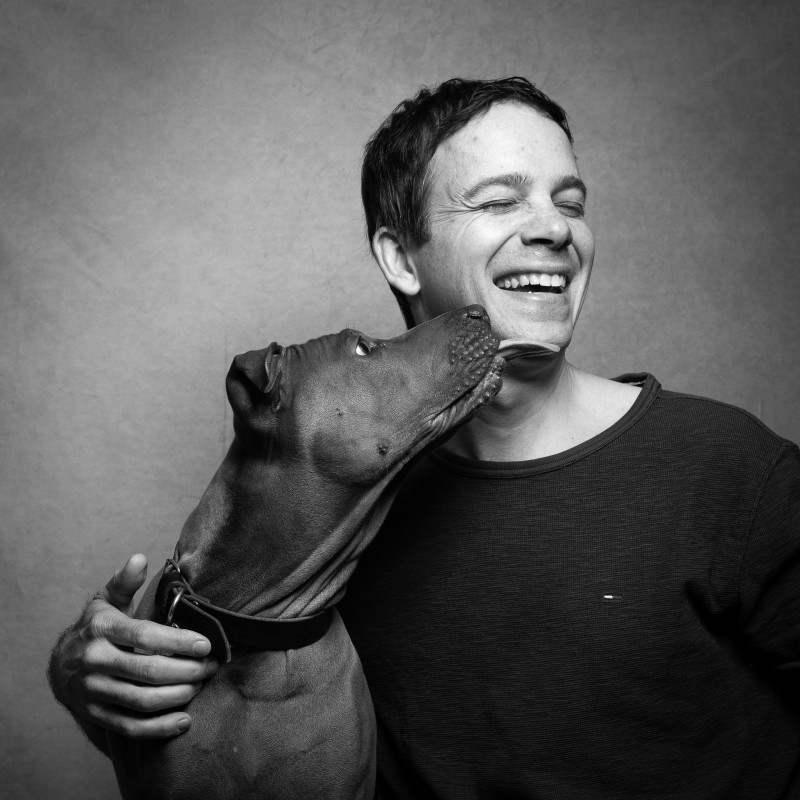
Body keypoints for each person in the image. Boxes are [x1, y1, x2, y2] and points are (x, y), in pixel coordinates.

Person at [49, 77, 800, 798]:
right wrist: (89, 677)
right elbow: (212, 743)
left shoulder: (731, 470)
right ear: (401, 257)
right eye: (499, 200)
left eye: (570, 202)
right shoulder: (335, 501)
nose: (554, 229)